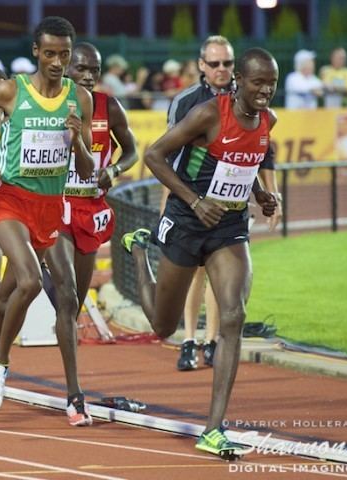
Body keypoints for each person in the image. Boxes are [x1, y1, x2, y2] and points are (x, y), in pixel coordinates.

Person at [121, 47, 280, 458]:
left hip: (228, 227)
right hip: (188, 222)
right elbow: (155, 156)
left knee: (233, 315)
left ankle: (213, 429)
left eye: (272, 83)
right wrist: (194, 201)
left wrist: (260, 193)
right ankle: (139, 251)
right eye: (259, 82)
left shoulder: (268, 119)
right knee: (161, 325)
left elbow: (248, 161)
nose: (266, 91)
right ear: (239, 81)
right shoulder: (209, 114)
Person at [0, 16, 94, 431]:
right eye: (49, 53)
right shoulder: (11, 90)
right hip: (10, 199)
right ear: (36, 51)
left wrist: (78, 140)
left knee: (9, 297)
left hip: (50, 205)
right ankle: (1, 364)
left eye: (64, 55)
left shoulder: (79, 98)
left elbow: (85, 168)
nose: (57, 62)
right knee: (30, 282)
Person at [161, 36, 281, 372]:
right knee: (193, 277)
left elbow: (255, 155)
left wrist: (263, 194)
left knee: (223, 281)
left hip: (229, 213)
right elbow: (167, 156)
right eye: (214, 64)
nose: (221, 69)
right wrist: (178, 204)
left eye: (227, 63)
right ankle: (188, 340)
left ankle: (213, 340)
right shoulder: (190, 103)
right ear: (201, 65)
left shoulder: (259, 112)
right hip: (189, 204)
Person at [43, 41, 137, 426]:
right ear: (66, 67)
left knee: (74, 302)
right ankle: (74, 395)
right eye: (81, 67)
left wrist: (113, 171)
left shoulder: (108, 107)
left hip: (89, 210)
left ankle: (45, 289)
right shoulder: (48, 105)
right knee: (66, 299)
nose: (88, 74)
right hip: (54, 208)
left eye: (94, 69)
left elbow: (132, 151)